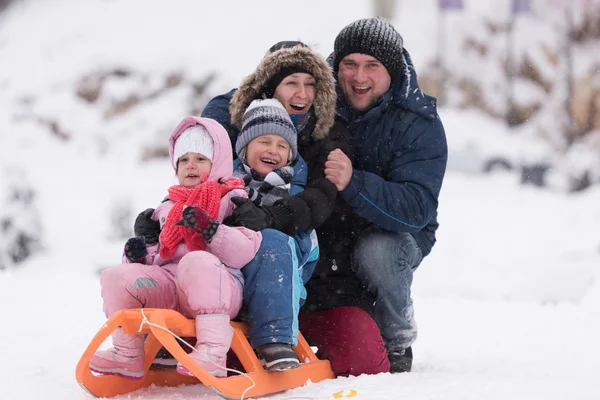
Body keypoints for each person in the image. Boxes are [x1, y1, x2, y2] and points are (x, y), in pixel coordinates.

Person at [298, 17, 448, 376]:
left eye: (372, 66)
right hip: (331, 227)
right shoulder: (320, 99)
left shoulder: (418, 121)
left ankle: (396, 340)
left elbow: (417, 209)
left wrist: (355, 182)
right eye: (349, 64)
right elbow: (265, 85)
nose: (359, 77)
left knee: (375, 253)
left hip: (396, 233)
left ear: (391, 71)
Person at [201, 41, 353, 369]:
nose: (302, 94)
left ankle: (274, 338)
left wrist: (270, 216)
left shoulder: (310, 155)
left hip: (289, 246)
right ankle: (174, 334)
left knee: (271, 244)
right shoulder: (232, 130)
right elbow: (199, 180)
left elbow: (318, 198)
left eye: (311, 84)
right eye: (292, 83)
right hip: (231, 246)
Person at [88, 117, 262, 379]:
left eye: (201, 159)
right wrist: (139, 253)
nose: (190, 165)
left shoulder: (233, 200)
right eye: (183, 160)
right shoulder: (166, 208)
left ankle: (213, 351)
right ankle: (127, 353)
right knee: (117, 277)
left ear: (218, 163)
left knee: (197, 262)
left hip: (219, 287)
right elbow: (159, 256)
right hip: (171, 287)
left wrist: (212, 230)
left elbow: (245, 250)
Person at [230, 97, 320, 370]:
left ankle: (275, 340)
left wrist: (265, 224)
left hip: (282, 284)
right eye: (264, 141)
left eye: (282, 145)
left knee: (273, 242)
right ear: (245, 148)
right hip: (229, 280)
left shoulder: (295, 195)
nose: (274, 150)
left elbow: (304, 250)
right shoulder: (224, 182)